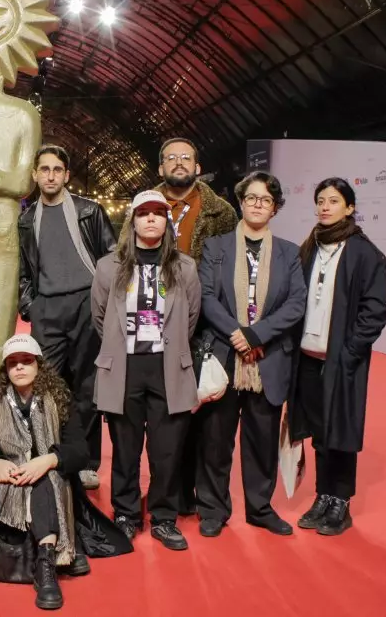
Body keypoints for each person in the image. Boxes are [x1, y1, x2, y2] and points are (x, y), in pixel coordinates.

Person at [0, 334, 132, 610]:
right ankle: (54, 556)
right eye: (12, 363)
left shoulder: (59, 399)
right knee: (32, 483)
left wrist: (50, 459)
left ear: (39, 365)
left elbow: (80, 451)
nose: (19, 367)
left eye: (26, 361)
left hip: (52, 480)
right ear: (5, 369)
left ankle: (45, 565)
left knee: (46, 479)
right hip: (9, 482)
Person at [195, 171, 307, 537]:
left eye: (266, 200)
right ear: (241, 202)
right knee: (215, 440)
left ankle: (260, 508)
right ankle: (212, 509)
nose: (258, 204)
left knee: (261, 441)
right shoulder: (217, 247)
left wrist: (256, 334)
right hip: (226, 357)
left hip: (268, 358)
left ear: (274, 209)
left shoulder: (290, 253)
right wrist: (236, 334)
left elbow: (296, 304)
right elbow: (207, 296)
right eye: (252, 198)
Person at [91, 190, 201, 550]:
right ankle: (125, 514)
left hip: (167, 366)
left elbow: (191, 318)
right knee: (125, 449)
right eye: (144, 213)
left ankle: (164, 518)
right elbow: (100, 317)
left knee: (167, 450)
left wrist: (166, 346)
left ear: (166, 220)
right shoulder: (109, 266)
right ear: (133, 220)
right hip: (125, 367)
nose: (151, 218)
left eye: (158, 212)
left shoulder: (184, 266)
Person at [289, 177, 386, 536]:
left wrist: (349, 353)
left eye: (333, 200)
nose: (325, 206)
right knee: (318, 431)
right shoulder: (310, 247)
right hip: (307, 358)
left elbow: (374, 311)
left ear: (349, 207)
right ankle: (322, 495)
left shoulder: (364, 253)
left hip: (342, 361)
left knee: (340, 429)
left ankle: (340, 501)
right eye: (320, 200)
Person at [18, 144, 116, 490]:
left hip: (86, 304)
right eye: (44, 169)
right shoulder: (27, 220)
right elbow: (22, 269)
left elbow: (111, 258)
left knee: (88, 386)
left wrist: (104, 303)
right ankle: (52, 452)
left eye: (57, 169)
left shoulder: (89, 211)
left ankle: (86, 459)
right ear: (34, 174)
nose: (50, 175)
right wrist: (31, 305)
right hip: (47, 308)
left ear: (67, 175)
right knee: (48, 384)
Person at [153, 138, 238, 516]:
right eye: (171, 158)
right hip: (155, 322)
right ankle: (171, 495)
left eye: (186, 157)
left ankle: (209, 500)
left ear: (198, 167)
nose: (179, 163)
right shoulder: (146, 207)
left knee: (209, 415)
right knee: (168, 417)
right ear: (160, 168)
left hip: (207, 322)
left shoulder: (221, 212)